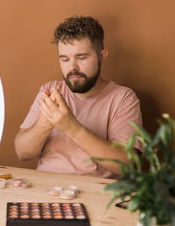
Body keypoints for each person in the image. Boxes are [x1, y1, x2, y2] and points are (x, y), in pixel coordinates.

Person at [14, 16, 142, 179]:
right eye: (65, 59)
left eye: (81, 57)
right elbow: (22, 152)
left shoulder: (123, 98)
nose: (72, 67)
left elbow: (129, 165)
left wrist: (71, 127)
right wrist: (44, 122)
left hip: (96, 193)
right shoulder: (49, 91)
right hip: (45, 188)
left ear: (102, 56)